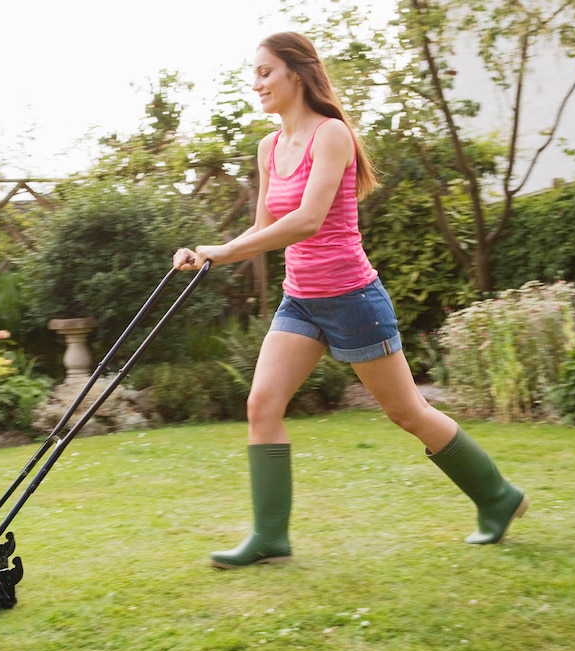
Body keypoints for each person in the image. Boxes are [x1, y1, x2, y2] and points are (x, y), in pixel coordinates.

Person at [173, 31, 528, 570]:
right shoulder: (269, 147)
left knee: (407, 412)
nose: (257, 82)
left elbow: (308, 221)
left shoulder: (331, 135)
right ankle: (270, 536)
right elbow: (266, 227)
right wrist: (208, 256)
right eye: (256, 73)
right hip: (301, 302)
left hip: (352, 297)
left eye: (266, 71)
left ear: (296, 72)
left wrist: (221, 250)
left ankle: (497, 497)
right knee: (261, 405)